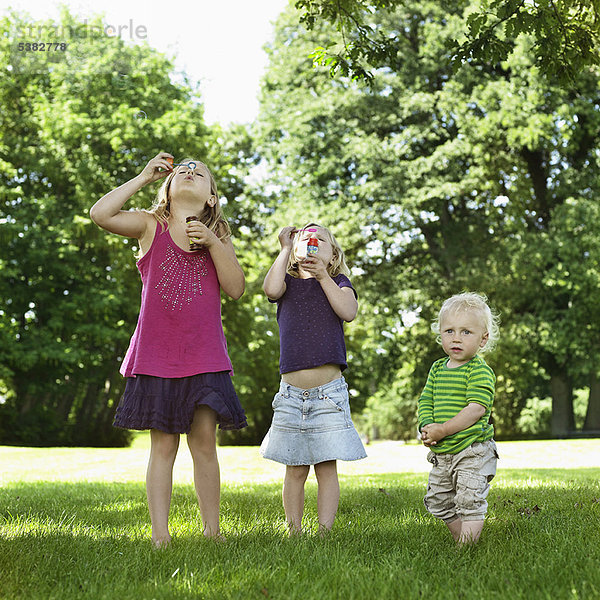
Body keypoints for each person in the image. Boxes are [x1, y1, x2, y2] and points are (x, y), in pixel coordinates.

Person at [90, 152, 247, 547]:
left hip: (205, 356)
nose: (190, 172)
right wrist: (143, 176)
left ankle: (213, 531)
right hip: (157, 357)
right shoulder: (149, 226)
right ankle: (161, 534)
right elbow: (101, 214)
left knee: (204, 442)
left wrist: (213, 242)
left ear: (211, 197)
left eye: (200, 172)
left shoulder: (219, 237)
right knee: (163, 445)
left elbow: (237, 288)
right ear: (169, 188)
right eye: (183, 170)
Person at [260, 223, 366, 535]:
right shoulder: (287, 284)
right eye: (304, 238)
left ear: (333, 256)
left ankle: (325, 531)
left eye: (320, 238)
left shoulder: (338, 281)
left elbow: (348, 311)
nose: (311, 240)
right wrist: (282, 250)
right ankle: (293, 530)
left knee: (326, 466)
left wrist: (323, 277)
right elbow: (269, 290)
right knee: (294, 468)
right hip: (291, 395)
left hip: (328, 394)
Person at [418, 292, 500, 545]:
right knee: (439, 501)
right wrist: (427, 426)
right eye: (449, 331)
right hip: (443, 452)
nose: (456, 338)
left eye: (466, 332)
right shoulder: (437, 369)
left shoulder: (479, 371)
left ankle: (465, 549)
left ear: (483, 339)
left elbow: (476, 409)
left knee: (469, 500)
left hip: (472, 450)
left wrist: (443, 429)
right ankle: (461, 540)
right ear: (440, 334)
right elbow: (426, 400)